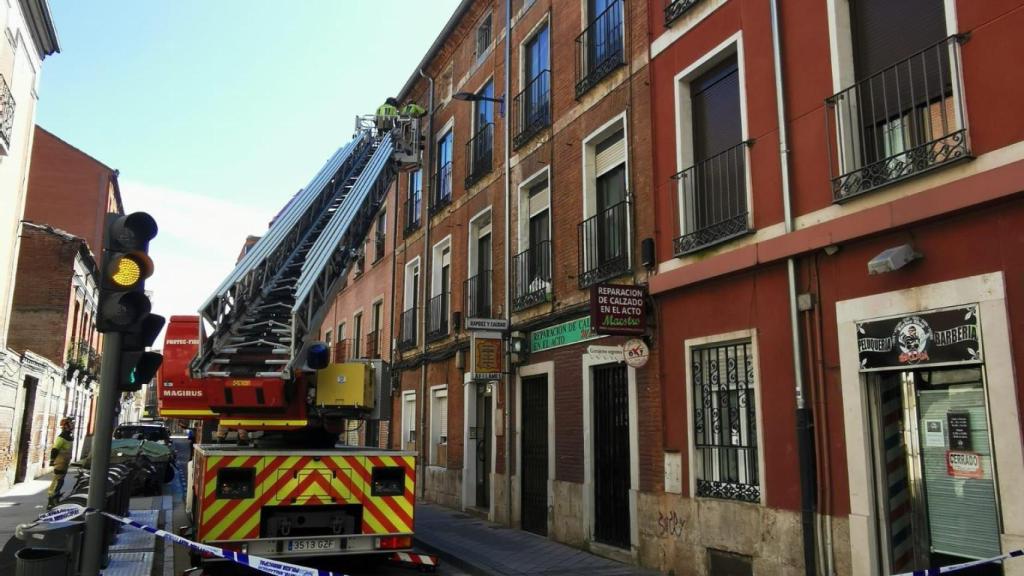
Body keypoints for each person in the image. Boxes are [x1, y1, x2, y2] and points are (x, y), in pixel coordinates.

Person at [47, 417, 74, 509]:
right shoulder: (61, 438)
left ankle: (56, 498)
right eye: (70, 423)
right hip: (60, 462)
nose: (72, 425)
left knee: (60, 481)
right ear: (65, 426)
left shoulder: (69, 437)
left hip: (65, 462)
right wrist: (52, 460)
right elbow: (55, 449)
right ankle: (51, 500)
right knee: (57, 480)